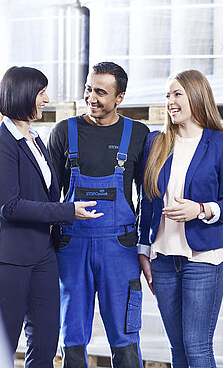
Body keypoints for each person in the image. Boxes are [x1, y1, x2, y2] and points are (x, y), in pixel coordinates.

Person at [0, 66, 103, 368]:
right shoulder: (1, 145)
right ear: (23, 95)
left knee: (46, 340)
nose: (46, 99)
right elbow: (9, 206)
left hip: (42, 254)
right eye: (41, 92)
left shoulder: (35, 138)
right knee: (1, 343)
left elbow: (46, 191)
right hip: (9, 257)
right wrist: (67, 211)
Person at [48, 62, 150, 367]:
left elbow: (147, 197)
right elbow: (51, 196)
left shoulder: (139, 134)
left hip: (120, 249)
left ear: (119, 98)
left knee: (126, 340)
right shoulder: (64, 132)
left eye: (101, 92)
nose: (91, 97)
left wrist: (143, 244)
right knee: (73, 339)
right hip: (72, 248)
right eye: (88, 89)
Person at [137, 69, 223, 367]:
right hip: (163, 260)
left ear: (196, 96)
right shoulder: (156, 143)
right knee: (178, 350)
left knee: (197, 348)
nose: (170, 101)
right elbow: (147, 200)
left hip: (204, 258)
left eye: (177, 94)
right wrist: (144, 249)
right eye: (168, 95)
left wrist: (200, 209)